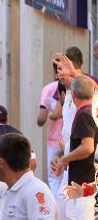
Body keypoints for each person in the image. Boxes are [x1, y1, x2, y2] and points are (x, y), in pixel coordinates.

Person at [50, 48, 92, 220]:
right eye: (57, 70)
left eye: (63, 69)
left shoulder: (85, 102)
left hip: (85, 170)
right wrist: (61, 158)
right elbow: (68, 138)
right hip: (71, 168)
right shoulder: (66, 97)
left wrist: (75, 73)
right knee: (64, 214)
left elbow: (89, 87)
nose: (60, 73)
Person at [39, 63, 65, 191]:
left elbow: (41, 119)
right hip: (71, 140)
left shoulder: (48, 89)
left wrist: (50, 115)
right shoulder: (77, 84)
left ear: (55, 72)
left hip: (55, 141)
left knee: (54, 178)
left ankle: (56, 204)